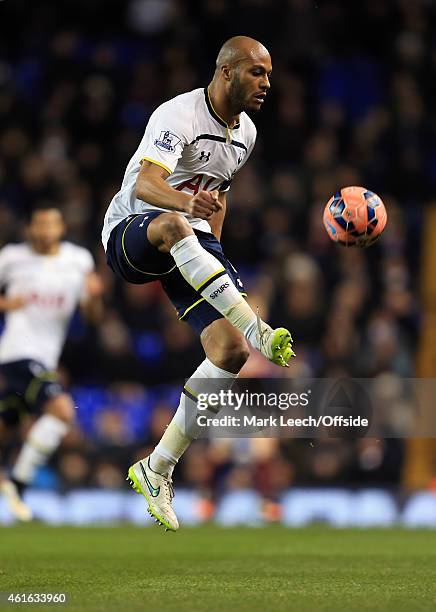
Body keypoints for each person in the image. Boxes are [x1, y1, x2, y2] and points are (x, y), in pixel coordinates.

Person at [102, 36, 295, 531]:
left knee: (229, 354)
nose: (266, 83)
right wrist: (188, 208)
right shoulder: (179, 114)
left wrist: (216, 266)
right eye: (257, 72)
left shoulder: (246, 135)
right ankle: (255, 326)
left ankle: (157, 466)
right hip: (134, 231)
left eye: (269, 75)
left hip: (191, 242)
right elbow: (144, 183)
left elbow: (219, 198)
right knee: (176, 225)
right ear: (226, 71)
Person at [0, 205, 104, 521]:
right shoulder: (12, 257)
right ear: (30, 228)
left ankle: (13, 481)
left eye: (51, 224)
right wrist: (6, 303)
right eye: (39, 224)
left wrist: (95, 297)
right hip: (16, 354)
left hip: (46, 357)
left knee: (6, 424)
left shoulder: (78, 260)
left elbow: (92, 317)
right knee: (61, 411)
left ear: (61, 228)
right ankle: (18, 482)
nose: (45, 230)